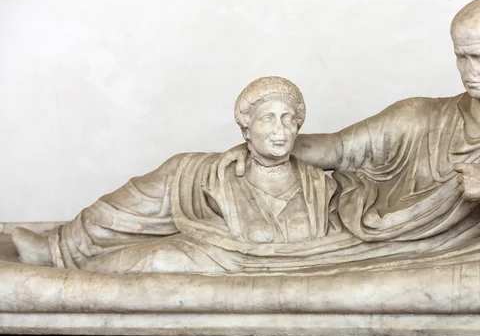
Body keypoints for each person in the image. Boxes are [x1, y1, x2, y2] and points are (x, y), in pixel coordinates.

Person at [212, 0, 480, 265]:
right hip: (351, 213)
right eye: (460, 56)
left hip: (397, 242)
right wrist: (255, 149)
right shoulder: (418, 116)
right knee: (208, 187)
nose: (467, 70)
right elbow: (336, 149)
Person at [11, 77, 344, 273]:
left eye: (288, 119)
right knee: (139, 199)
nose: (280, 130)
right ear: (246, 129)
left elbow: (340, 153)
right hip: (201, 187)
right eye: (267, 119)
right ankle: (59, 248)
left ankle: (77, 264)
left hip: (234, 257)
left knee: (158, 258)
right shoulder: (209, 173)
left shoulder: (318, 186)